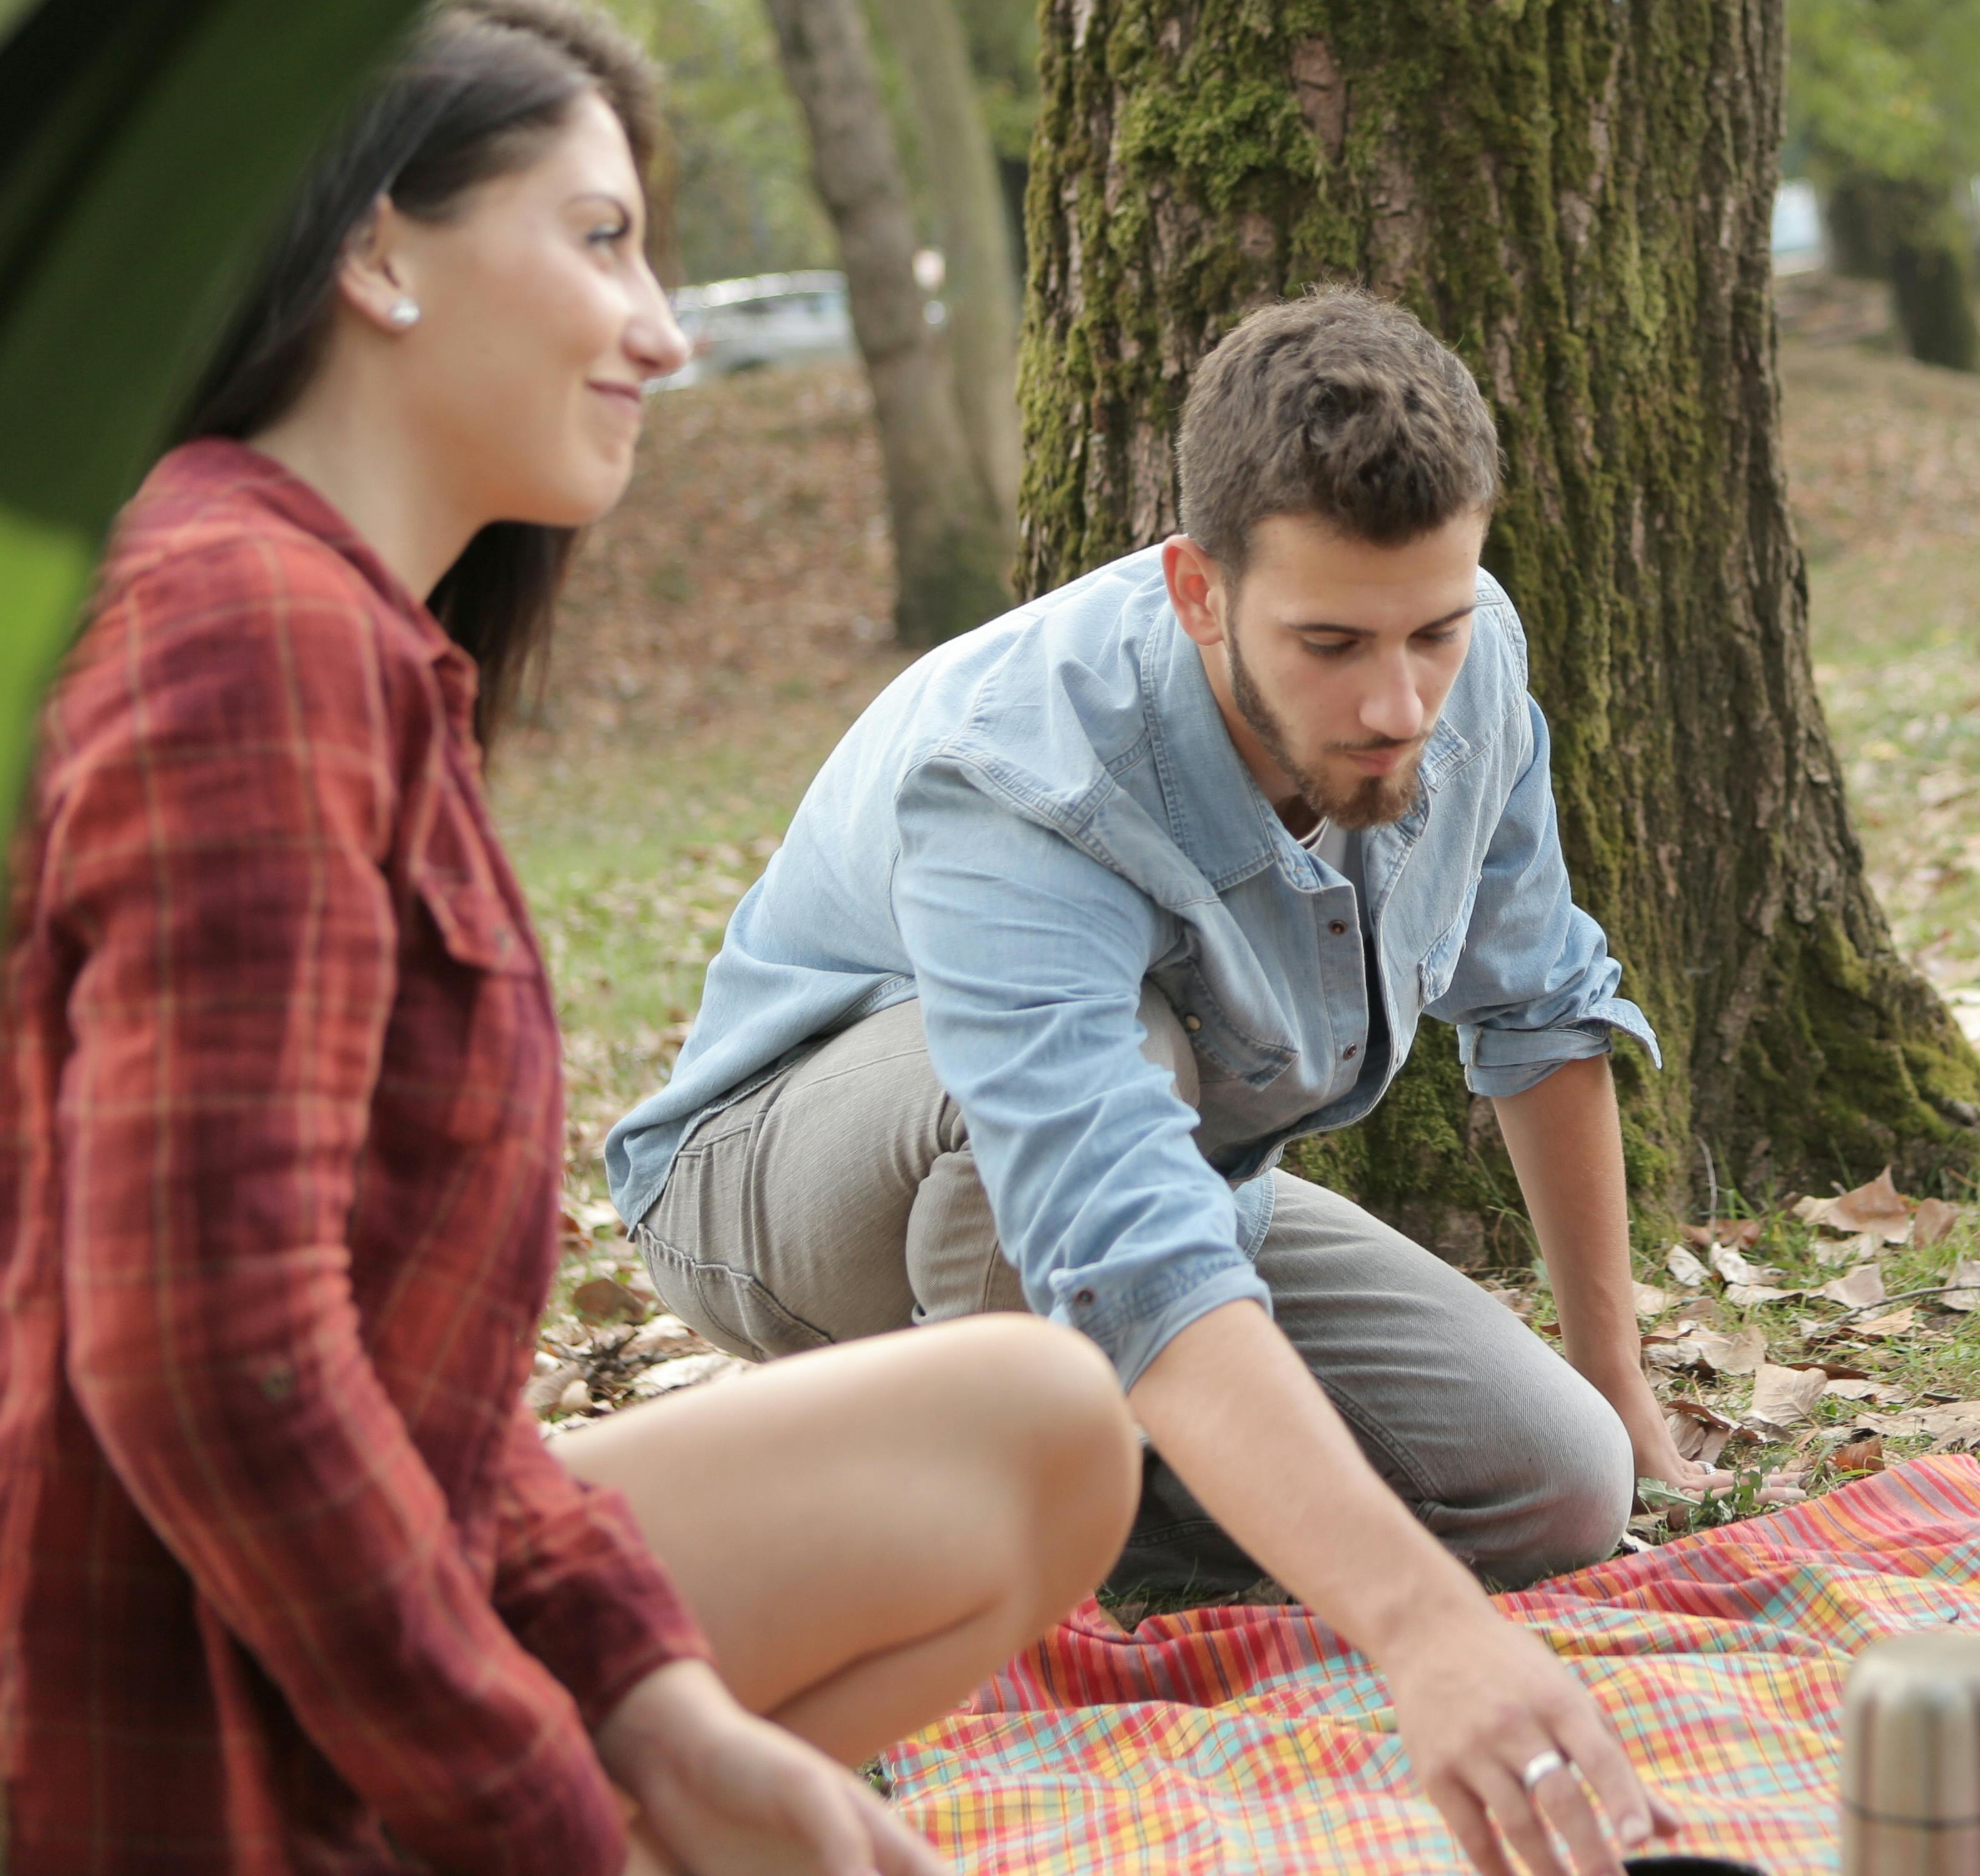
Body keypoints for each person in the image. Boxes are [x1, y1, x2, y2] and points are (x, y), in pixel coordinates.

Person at [0, 0, 1141, 1876]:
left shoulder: (326, 628)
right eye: (601, 241)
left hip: (317, 1576)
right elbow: (204, 1358)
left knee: (1034, 1433)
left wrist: (664, 1719)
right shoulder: (242, 633)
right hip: (139, 1712)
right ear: (376, 250)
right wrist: (538, 1810)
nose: (665, 334)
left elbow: (416, 1412)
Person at [602, 287, 1706, 1876]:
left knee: (1556, 1488)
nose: (1399, 703)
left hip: (1175, 1195)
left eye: (1434, 631)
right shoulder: (1020, 765)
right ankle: (973, 1612)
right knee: (1123, 1072)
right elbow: (1107, 1220)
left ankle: (1094, 1505)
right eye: (1330, 644)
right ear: (1200, 593)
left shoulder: (1474, 657)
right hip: (783, 1177)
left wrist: (1617, 1376)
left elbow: (1539, 1007)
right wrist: (1416, 1633)